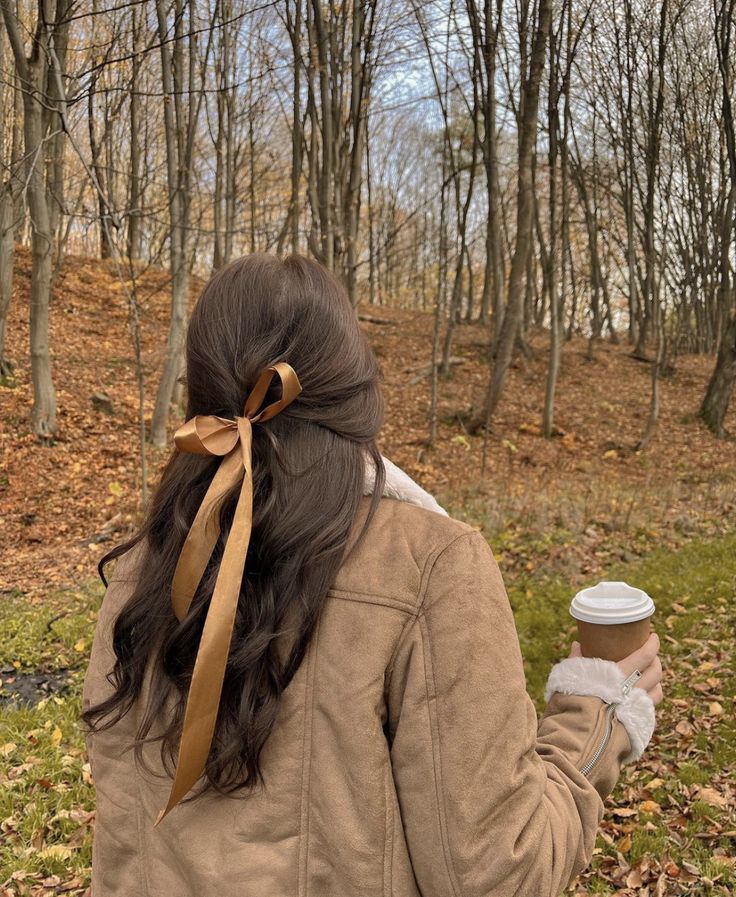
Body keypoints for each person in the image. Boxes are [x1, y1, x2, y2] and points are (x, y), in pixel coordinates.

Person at [81, 254, 663, 897]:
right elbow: (499, 873)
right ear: (354, 388)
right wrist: (599, 717)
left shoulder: (144, 573)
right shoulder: (430, 566)